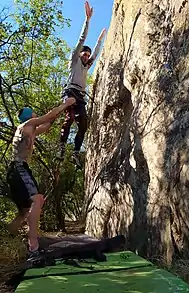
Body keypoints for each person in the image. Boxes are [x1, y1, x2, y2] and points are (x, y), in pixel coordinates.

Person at [6, 98, 75, 258]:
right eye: (34, 113)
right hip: (19, 169)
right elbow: (48, 116)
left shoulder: (27, 129)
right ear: (30, 116)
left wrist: (59, 116)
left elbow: (47, 124)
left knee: (24, 212)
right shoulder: (27, 124)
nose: (36, 114)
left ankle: (7, 236)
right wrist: (66, 104)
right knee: (37, 200)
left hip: (16, 171)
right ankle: (33, 245)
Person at [58, 1, 106, 167]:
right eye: (84, 54)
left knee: (83, 124)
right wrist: (87, 20)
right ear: (79, 54)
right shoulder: (74, 61)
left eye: (87, 55)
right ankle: (61, 148)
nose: (86, 57)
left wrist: (100, 40)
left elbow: (97, 51)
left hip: (80, 96)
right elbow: (81, 39)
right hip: (70, 92)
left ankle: (75, 153)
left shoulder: (87, 65)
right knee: (69, 118)